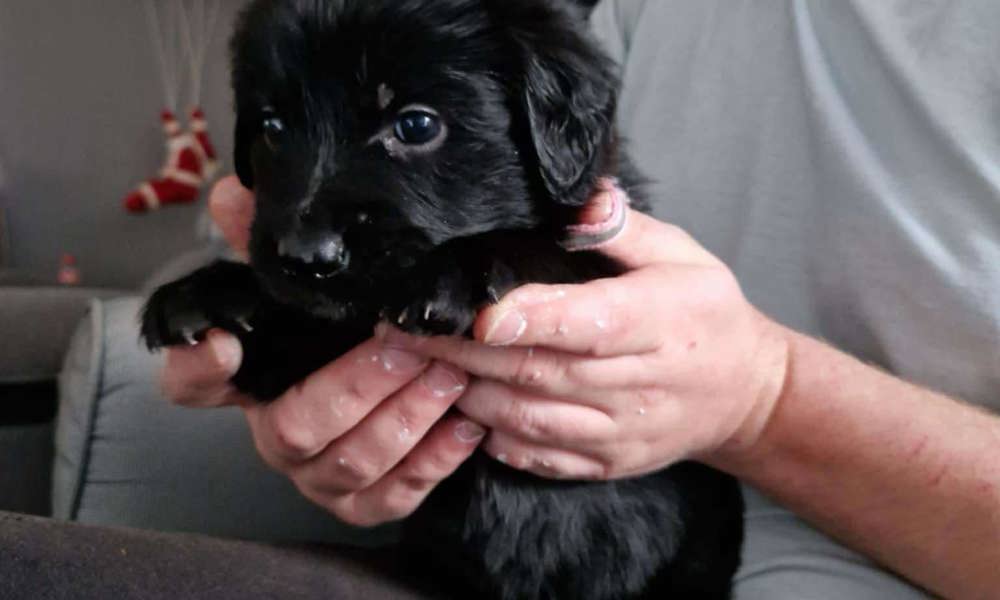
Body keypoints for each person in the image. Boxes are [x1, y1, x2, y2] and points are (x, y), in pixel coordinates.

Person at [162, 2, 1000, 598]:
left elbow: (576, 224)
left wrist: (763, 399)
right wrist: (271, 356)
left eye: (413, 128)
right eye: (272, 132)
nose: (306, 231)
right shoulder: (635, 17)